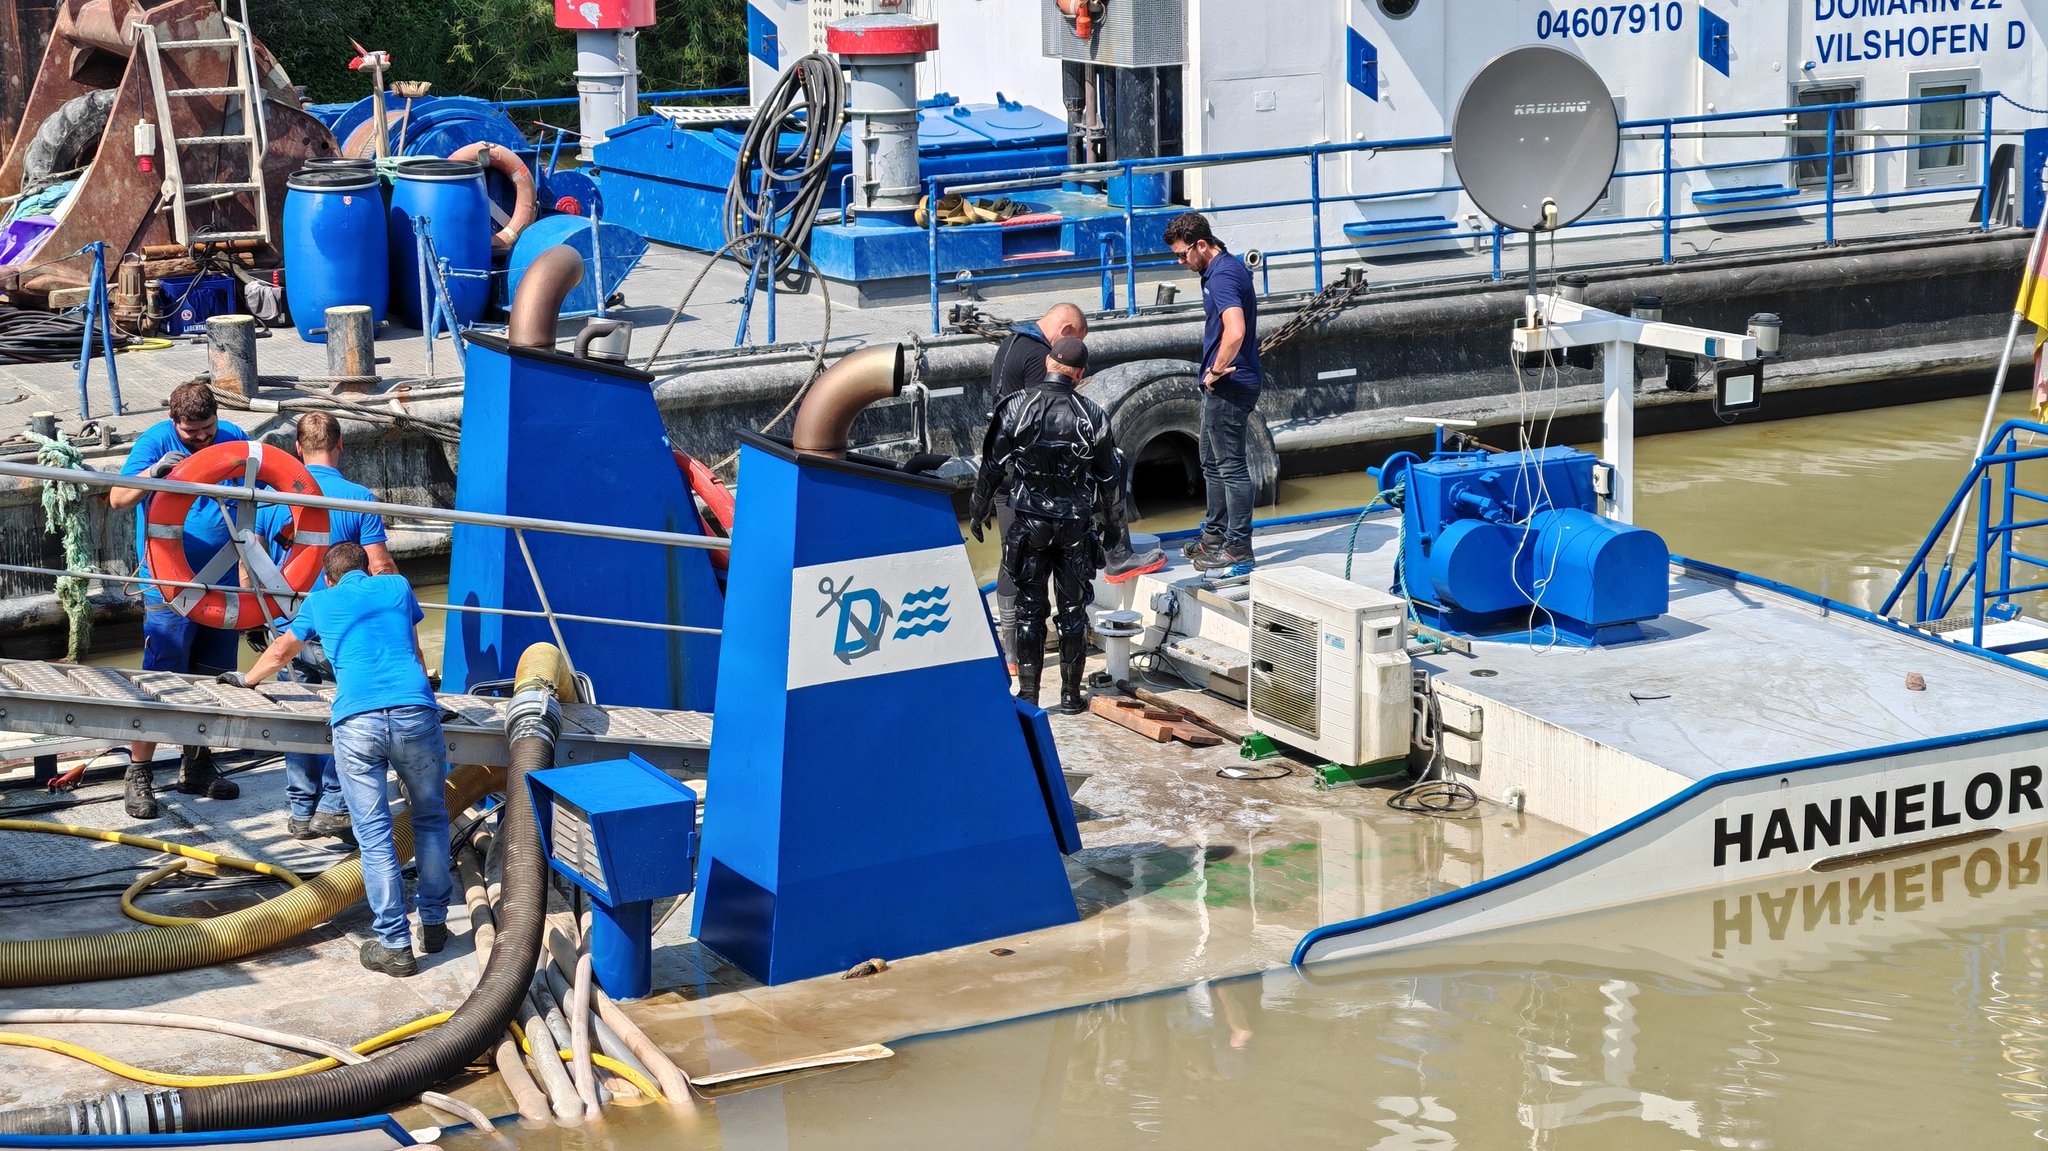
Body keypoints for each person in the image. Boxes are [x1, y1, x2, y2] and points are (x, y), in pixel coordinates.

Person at [227, 541, 451, 978]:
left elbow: (280, 652)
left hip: (358, 723)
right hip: (415, 713)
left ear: (328, 577)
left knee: (374, 834)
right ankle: (436, 925)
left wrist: (246, 681)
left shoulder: (320, 600)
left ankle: (396, 945)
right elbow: (412, 646)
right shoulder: (398, 588)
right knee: (430, 818)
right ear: (366, 569)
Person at [984, 304, 1163, 670]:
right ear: (1065, 330)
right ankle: (1117, 553)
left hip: (1006, 479)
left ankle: (1014, 656)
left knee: (1010, 561)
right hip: (1037, 490)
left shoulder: (1010, 343)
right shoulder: (1040, 356)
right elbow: (1045, 421)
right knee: (1111, 465)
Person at [108, 380, 249, 818]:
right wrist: (154, 475)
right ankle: (139, 772)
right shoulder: (154, 441)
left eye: (208, 429)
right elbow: (117, 498)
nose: (203, 439)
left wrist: (249, 575)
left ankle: (197, 764)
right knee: (160, 679)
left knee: (210, 677)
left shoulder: (234, 438)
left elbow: (253, 504)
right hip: (166, 583)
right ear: (175, 422)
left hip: (221, 582)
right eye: (193, 433)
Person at [968, 337, 1123, 715]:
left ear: (1050, 361)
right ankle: (1071, 697)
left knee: (1028, 609)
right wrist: (1112, 525)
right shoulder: (1093, 415)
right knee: (1073, 611)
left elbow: (990, 466)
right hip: (1074, 526)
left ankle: (1030, 696)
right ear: (1080, 374)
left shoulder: (1016, 406)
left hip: (1029, 520)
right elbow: (1108, 478)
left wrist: (978, 509)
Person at [270, 412, 398, 842]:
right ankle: (333, 803)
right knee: (352, 714)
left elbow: (256, 567)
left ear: (297, 450)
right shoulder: (358, 497)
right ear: (340, 444)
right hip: (345, 630)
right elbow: (379, 567)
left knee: (298, 715)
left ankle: (301, 810)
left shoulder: (273, 498)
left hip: (290, 624)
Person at [1164, 212, 1262, 576]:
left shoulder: (1221, 276)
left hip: (1230, 385)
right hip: (1222, 386)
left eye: (1182, 254)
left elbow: (1234, 331)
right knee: (1210, 462)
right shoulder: (1223, 270)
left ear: (1201, 245)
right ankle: (1215, 535)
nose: (1180, 262)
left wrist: (1217, 369)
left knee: (1232, 466)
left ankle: (1239, 546)